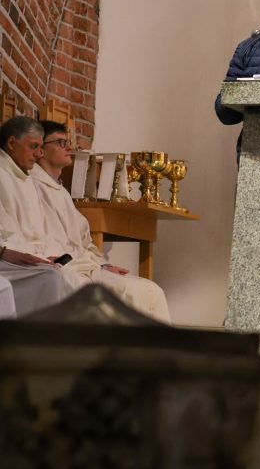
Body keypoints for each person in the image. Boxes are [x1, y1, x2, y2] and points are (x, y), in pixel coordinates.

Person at [0, 116, 170, 323]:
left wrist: (101, 264)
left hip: (70, 263)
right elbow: (27, 237)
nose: (39, 153)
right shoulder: (24, 180)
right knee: (66, 282)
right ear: (12, 143)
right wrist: (45, 258)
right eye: (60, 142)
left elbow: (80, 240)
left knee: (151, 290)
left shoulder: (40, 184)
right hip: (40, 262)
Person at [0, 116, 89, 314]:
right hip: (7, 258)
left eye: (41, 147)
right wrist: (13, 253)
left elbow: (39, 233)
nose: (39, 153)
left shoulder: (26, 178)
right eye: (33, 146)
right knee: (52, 278)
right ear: (12, 143)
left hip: (26, 257)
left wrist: (44, 256)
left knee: (58, 274)